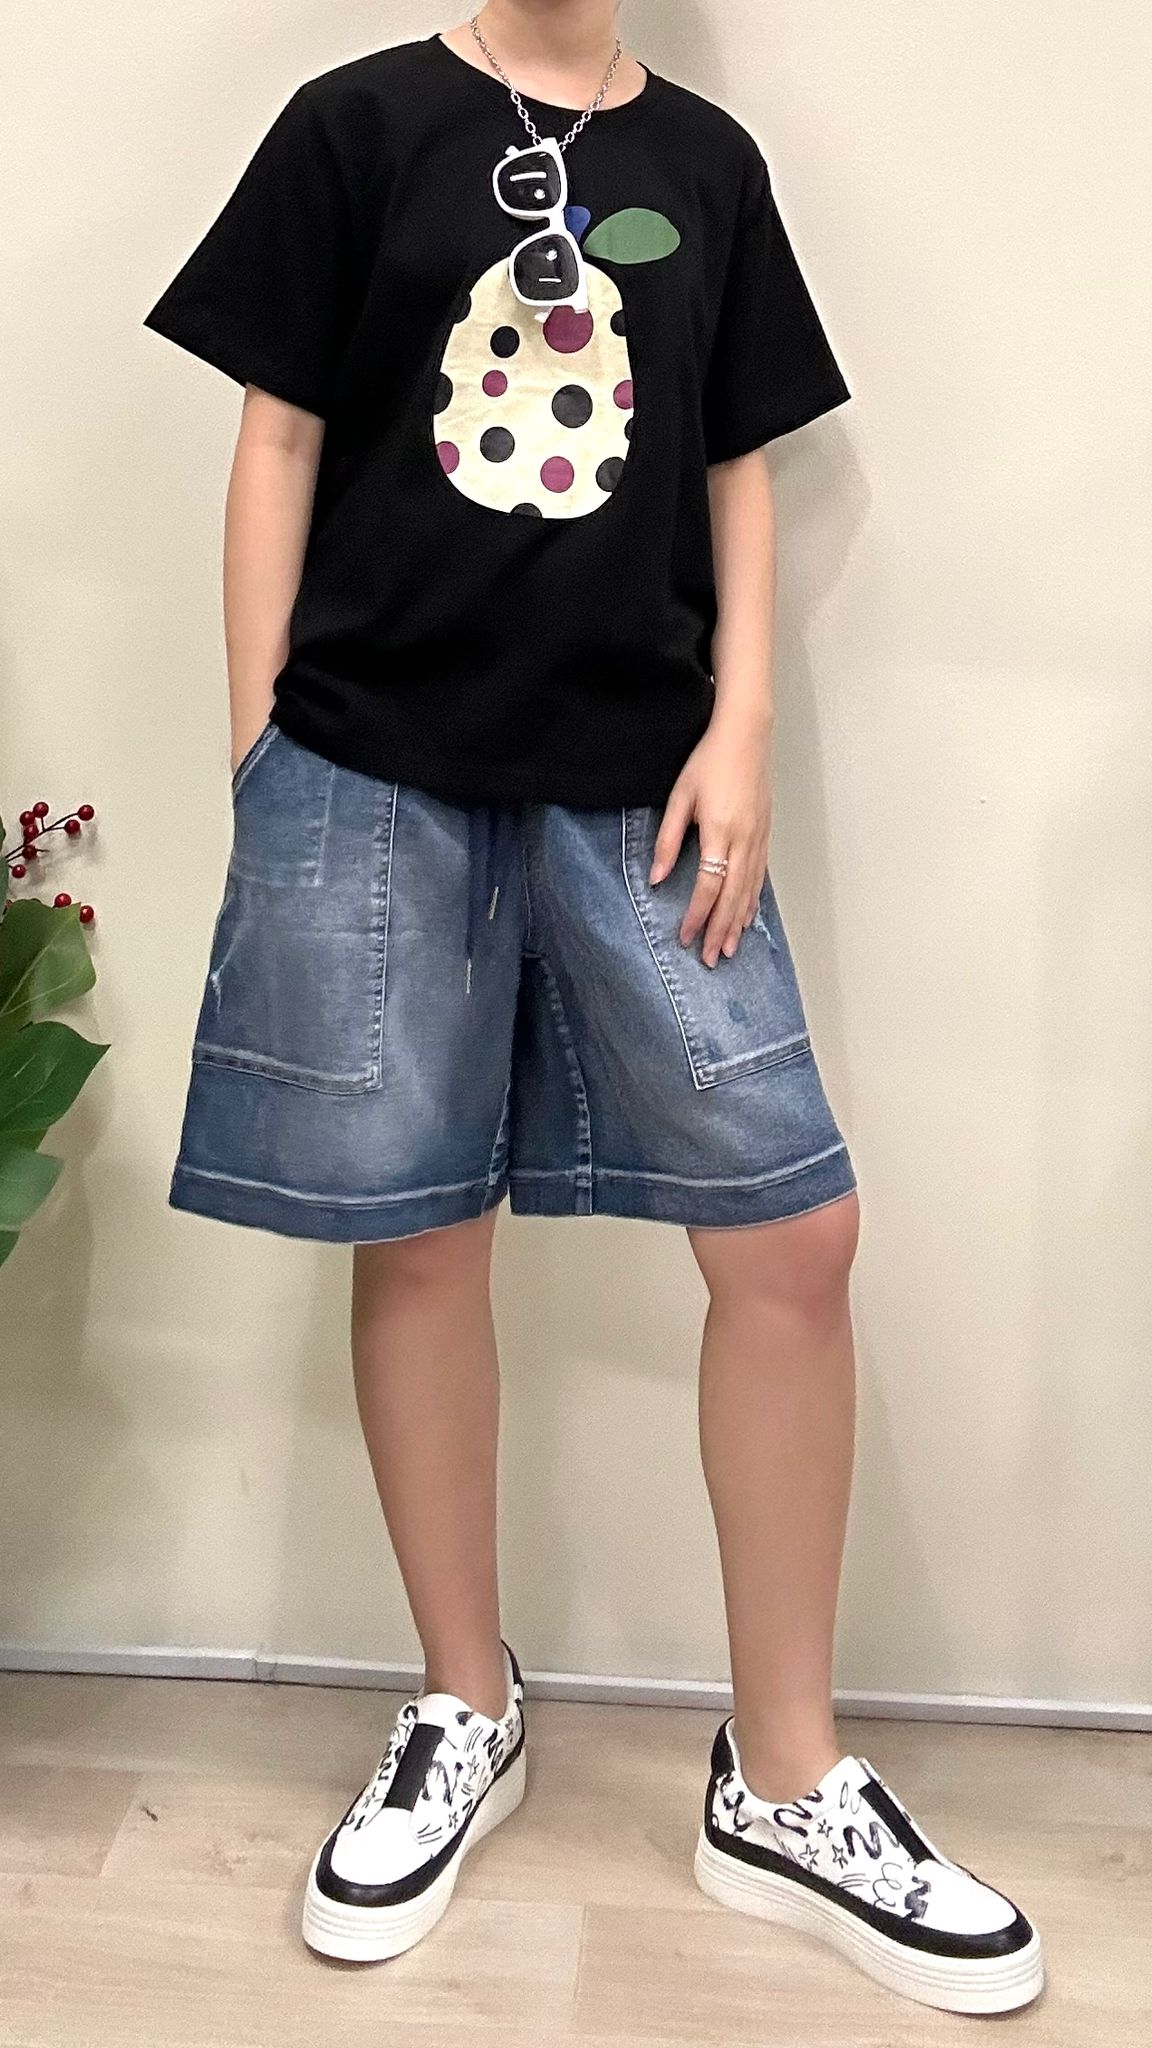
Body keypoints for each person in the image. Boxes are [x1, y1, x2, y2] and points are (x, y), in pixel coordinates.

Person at [142, 1, 1043, 2014]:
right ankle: (465, 1699)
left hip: (643, 781)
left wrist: (746, 719)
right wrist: (263, 752)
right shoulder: (356, 124)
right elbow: (276, 437)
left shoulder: (706, 168)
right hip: (367, 766)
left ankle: (784, 1776)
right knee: (416, 1227)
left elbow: (734, 457)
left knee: (793, 1228)